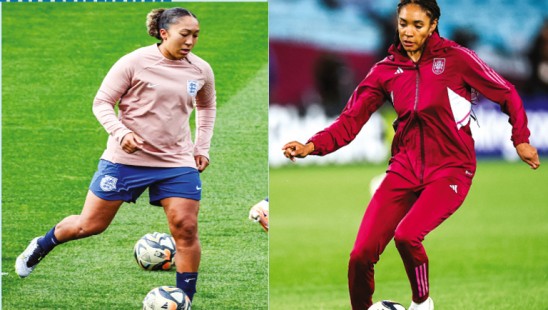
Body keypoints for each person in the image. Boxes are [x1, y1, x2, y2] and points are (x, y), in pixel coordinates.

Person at [282, 1, 540, 309]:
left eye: (417, 25)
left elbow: (507, 92)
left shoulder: (456, 59)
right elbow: (350, 121)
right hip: (404, 169)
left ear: (433, 26)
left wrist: (520, 139)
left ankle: (422, 302)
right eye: (403, 23)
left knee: (407, 235)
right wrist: (312, 145)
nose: (408, 31)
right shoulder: (385, 71)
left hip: (451, 170)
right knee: (360, 256)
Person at [15, 7, 216, 303]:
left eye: (195, 35)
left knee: (185, 229)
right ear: (164, 33)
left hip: (177, 161)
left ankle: (183, 299)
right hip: (126, 161)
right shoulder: (134, 62)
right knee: (90, 225)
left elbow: (207, 106)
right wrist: (121, 133)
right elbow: (102, 102)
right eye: (184, 34)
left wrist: (202, 147)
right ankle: (42, 244)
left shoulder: (200, 69)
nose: (190, 41)